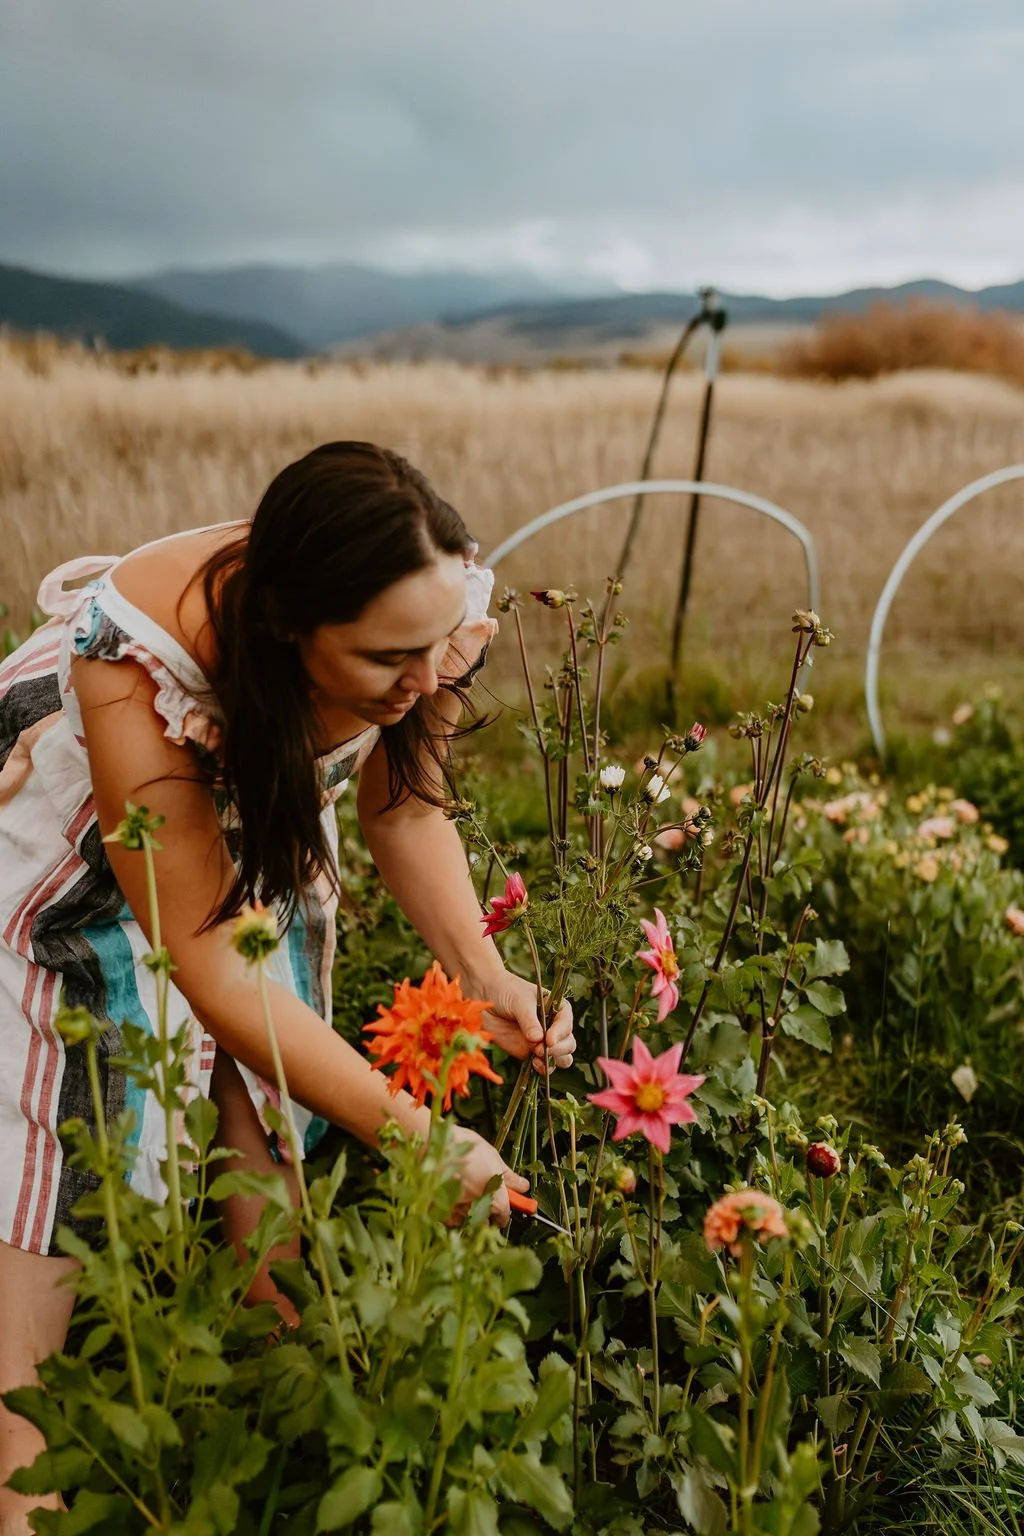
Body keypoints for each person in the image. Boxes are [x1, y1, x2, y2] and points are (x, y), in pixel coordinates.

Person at [0, 441, 575, 1531]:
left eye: (435, 649)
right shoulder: (139, 669)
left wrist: (482, 970)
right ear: (285, 628)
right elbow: (204, 951)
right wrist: (412, 1130)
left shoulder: (430, 607)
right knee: (62, 1118)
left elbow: (404, 809)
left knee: (275, 1088)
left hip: (259, 802)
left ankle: (275, 1370)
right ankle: (16, 1465)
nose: (425, 682)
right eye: (387, 660)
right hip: (82, 826)